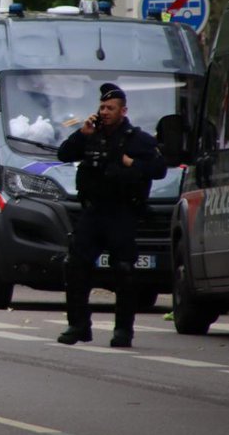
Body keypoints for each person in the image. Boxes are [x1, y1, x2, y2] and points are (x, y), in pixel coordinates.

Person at [56, 83, 167, 348]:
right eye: (102, 107)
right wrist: (81, 135)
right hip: (94, 211)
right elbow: (64, 154)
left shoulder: (136, 139)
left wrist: (133, 163)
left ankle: (123, 331)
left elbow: (159, 169)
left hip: (122, 211)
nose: (104, 112)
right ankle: (78, 325)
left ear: (123, 111)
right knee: (75, 265)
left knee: (124, 271)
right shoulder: (91, 133)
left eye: (110, 108)